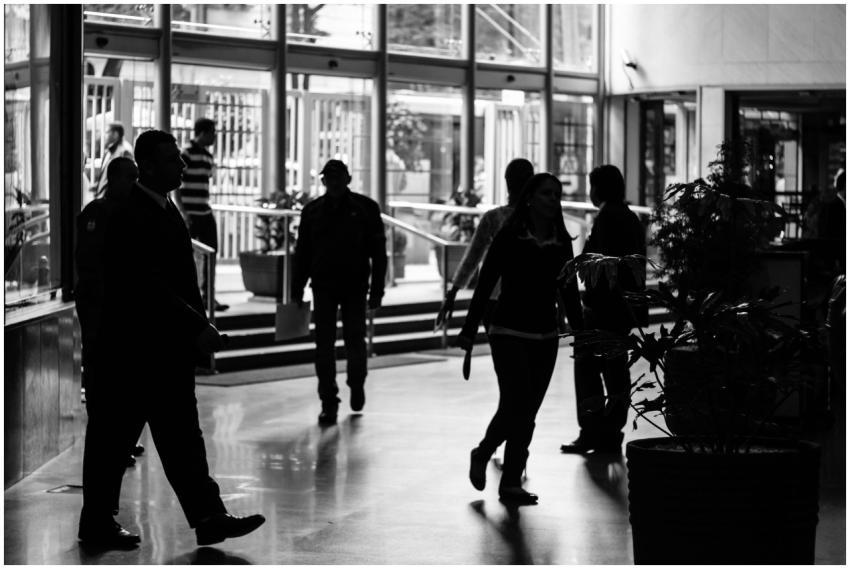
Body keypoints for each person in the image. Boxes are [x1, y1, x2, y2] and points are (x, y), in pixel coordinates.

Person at [78, 130, 264, 550]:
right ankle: (97, 523)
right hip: (136, 354)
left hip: (162, 352)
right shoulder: (134, 214)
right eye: (171, 159)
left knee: (181, 438)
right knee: (113, 440)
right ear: (147, 166)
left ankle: (209, 516)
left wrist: (194, 329)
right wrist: (196, 326)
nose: (181, 165)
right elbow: (147, 285)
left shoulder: (162, 208)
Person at [456, 173, 584, 505]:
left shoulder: (559, 238)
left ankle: (507, 478)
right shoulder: (510, 234)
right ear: (529, 197)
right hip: (509, 329)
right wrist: (469, 329)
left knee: (526, 410)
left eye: (556, 194)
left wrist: (582, 330)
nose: (552, 199)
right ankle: (491, 459)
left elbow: (568, 287)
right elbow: (485, 283)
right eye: (545, 193)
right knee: (517, 403)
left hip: (545, 333)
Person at [291, 159, 387, 425]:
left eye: (338, 177)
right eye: (329, 178)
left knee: (355, 340)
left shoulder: (366, 209)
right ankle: (328, 400)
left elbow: (378, 253)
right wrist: (296, 289)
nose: (333, 182)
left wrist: (377, 289)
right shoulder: (312, 212)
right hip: (323, 286)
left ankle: (356, 383)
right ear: (323, 181)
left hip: (355, 286)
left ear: (348, 178)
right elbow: (302, 254)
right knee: (324, 345)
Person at [560, 164, 647, 456]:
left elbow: (603, 267)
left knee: (586, 368)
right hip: (622, 310)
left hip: (601, 308)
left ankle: (591, 431)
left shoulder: (607, 217)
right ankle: (612, 434)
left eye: (591, 185)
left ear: (599, 188)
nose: (589, 191)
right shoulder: (630, 217)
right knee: (615, 370)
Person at [77, 157, 145, 471]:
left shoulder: (136, 213)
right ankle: (110, 439)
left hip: (126, 315)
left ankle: (123, 440)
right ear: (113, 178)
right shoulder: (97, 213)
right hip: (101, 313)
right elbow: (89, 267)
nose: (134, 184)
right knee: (102, 379)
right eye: (129, 177)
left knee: (126, 382)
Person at [435, 158, 535, 330]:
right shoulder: (540, 218)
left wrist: (452, 293)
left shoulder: (494, 218)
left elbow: (472, 258)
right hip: (532, 300)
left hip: (495, 299)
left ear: (507, 182)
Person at [175, 117, 228, 312]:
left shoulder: (207, 156)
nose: (215, 136)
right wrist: (183, 211)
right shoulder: (186, 153)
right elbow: (177, 186)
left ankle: (208, 297)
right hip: (190, 213)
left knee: (211, 254)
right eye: (213, 132)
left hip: (205, 211)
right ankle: (188, 298)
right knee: (185, 257)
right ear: (203, 133)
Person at [91, 121, 134, 199]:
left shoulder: (125, 151)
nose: (104, 135)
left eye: (107, 132)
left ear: (115, 134)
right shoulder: (108, 151)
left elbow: (125, 179)